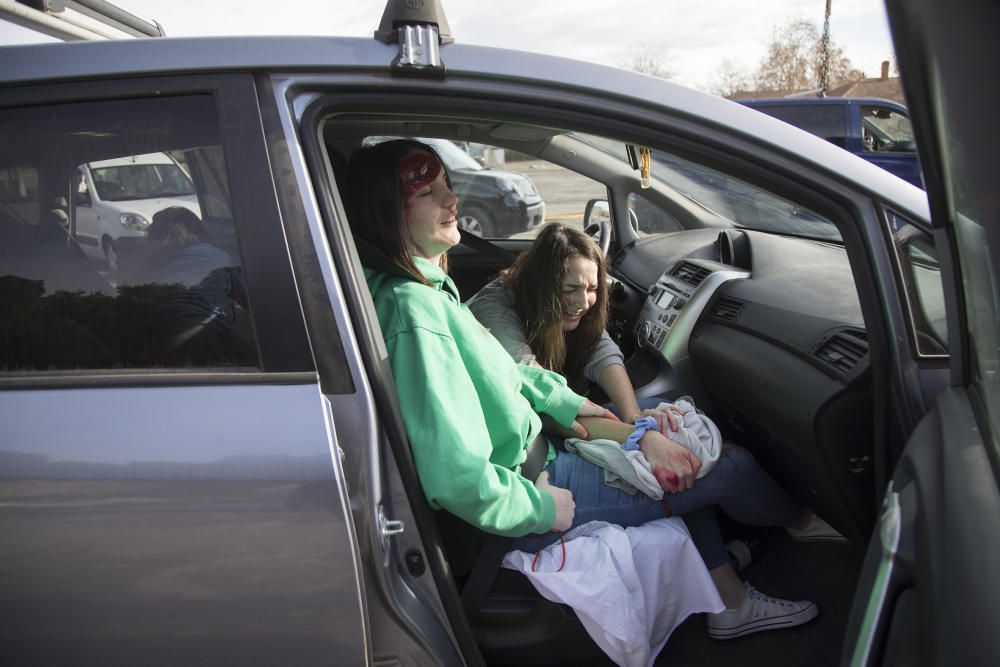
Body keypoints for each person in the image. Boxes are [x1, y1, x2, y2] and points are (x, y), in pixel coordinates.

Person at [346, 139, 834, 640]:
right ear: (386, 210)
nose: (452, 201)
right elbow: (454, 476)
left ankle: (727, 598)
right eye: (429, 192)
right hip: (537, 483)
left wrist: (632, 427)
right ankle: (802, 525)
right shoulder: (414, 309)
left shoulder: (429, 289)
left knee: (671, 455)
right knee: (727, 465)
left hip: (544, 450)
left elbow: (517, 375)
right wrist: (541, 509)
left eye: (448, 186)